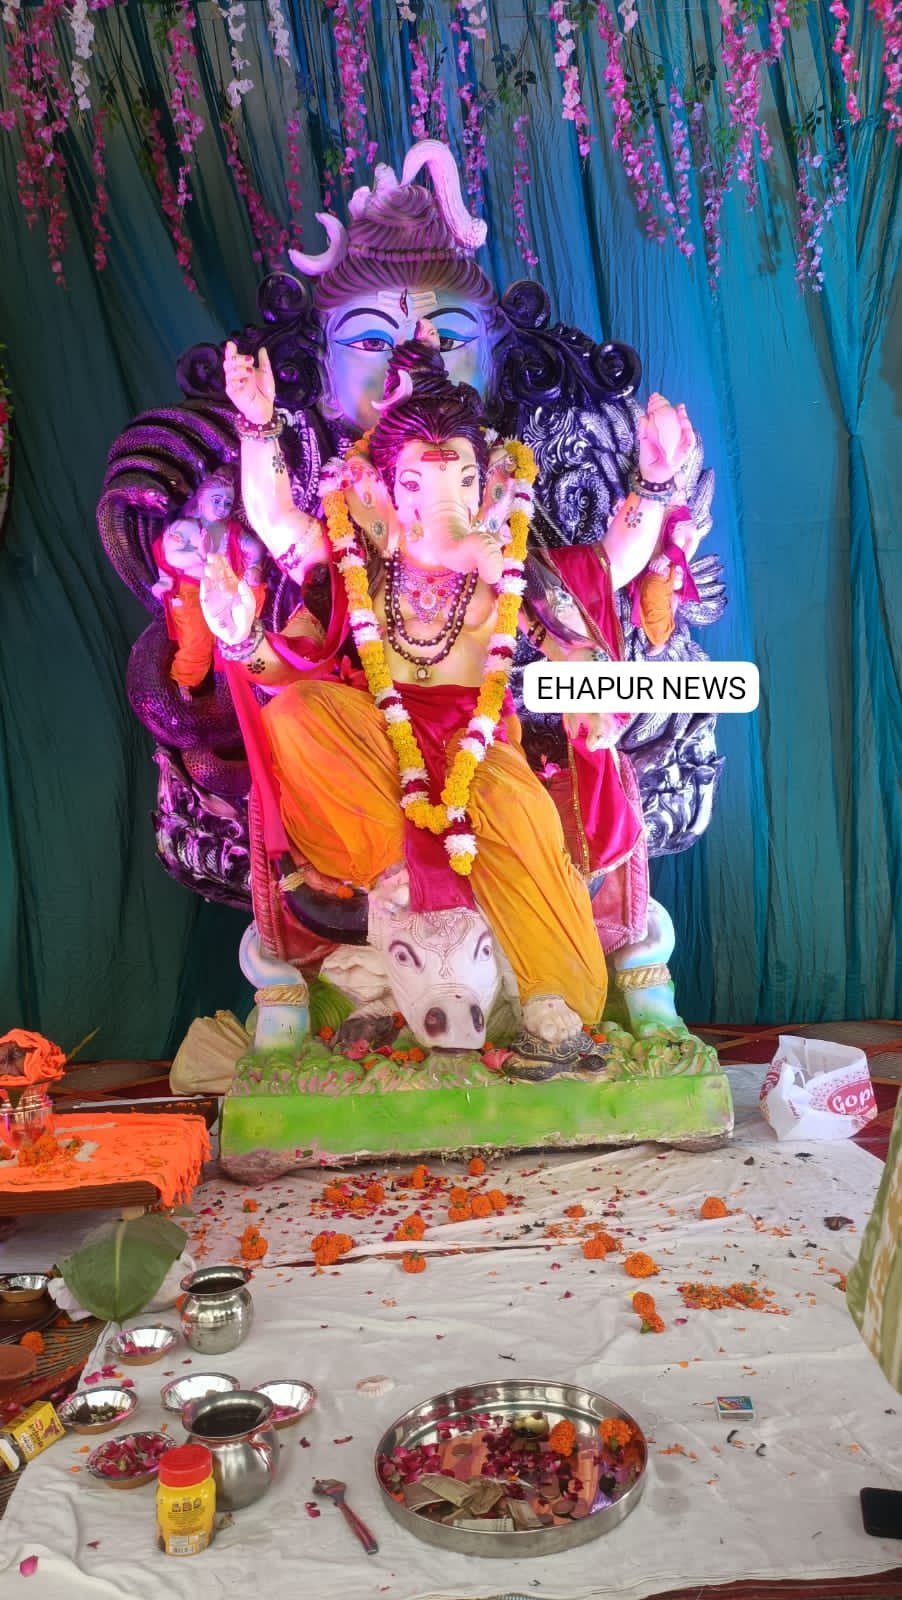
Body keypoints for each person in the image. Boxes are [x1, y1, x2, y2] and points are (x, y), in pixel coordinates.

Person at [201, 324, 694, 1057]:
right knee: (299, 714)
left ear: (487, 485)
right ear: (381, 490)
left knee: (543, 878)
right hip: (379, 739)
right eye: (416, 484)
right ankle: (397, 877)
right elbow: (277, 543)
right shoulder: (361, 561)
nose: (442, 503)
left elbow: (593, 598)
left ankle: (537, 995)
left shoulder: (506, 560)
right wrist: (255, 429)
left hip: (480, 746)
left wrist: (654, 482)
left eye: (461, 480)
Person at [152, 469, 266, 694]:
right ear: (201, 501)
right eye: (216, 500)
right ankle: (184, 682)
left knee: (242, 622)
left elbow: (255, 548)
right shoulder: (186, 526)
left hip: (223, 589)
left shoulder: (231, 530)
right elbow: (172, 556)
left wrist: (255, 567)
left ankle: (236, 676)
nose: (222, 507)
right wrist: (200, 555)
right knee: (197, 640)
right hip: (192, 592)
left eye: (227, 503)